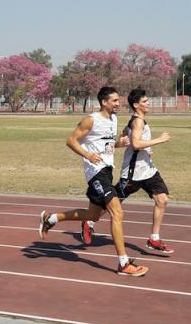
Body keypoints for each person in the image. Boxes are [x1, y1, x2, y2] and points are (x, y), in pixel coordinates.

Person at [39, 86, 149, 276]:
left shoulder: (114, 119)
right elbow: (71, 140)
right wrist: (88, 154)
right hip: (95, 173)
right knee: (117, 212)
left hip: (107, 171)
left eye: (118, 100)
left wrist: (118, 144)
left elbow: (105, 144)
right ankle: (123, 263)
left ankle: (51, 218)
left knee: (93, 216)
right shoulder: (91, 120)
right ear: (104, 102)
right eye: (114, 100)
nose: (118, 103)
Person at [81, 89, 174, 254]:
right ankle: (89, 222)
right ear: (136, 105)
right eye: (145, 102)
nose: (148, 103)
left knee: (162, 199)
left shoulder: (136, 121)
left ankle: (154, 238)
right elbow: (136, 144)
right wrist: (158, 140)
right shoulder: (137, 122)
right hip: (133, 173)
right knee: (113, 204)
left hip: (148, 170)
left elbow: (127, 133)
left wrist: (125, 139)